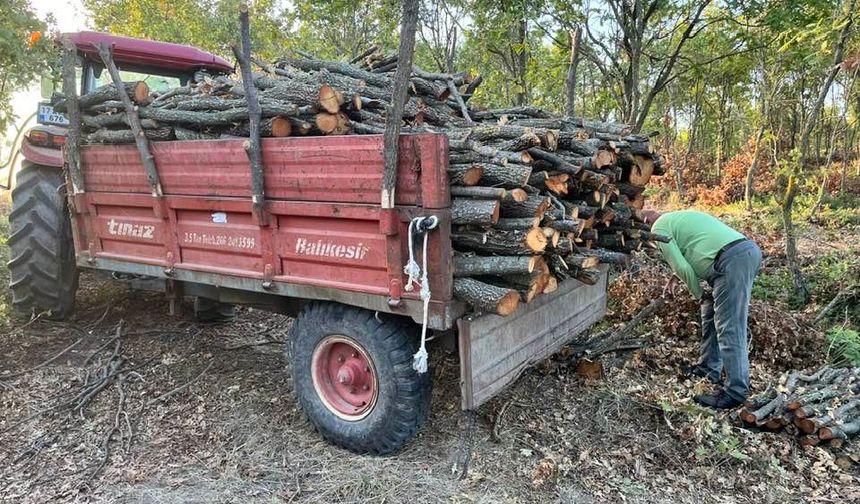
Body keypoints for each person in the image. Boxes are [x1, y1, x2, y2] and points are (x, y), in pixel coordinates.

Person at [643, 210, 762, 409]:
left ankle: (735, 393)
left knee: (730, 326)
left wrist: (698, 294)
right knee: (710, 314)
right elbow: (693, 248)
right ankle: (709, 369)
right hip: (741, 253)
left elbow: (683, 266)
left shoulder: (658, 228)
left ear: (647, 222)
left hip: (730, 262)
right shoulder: (677, 218)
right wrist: (676, 277)